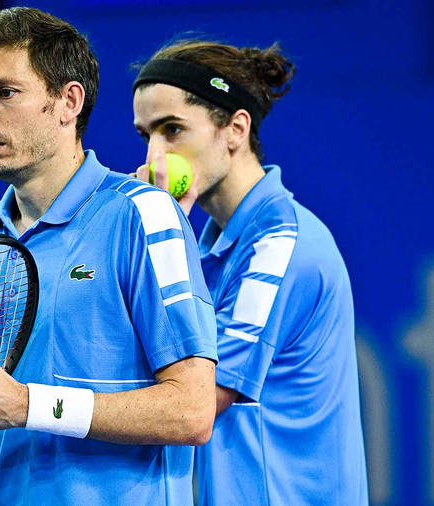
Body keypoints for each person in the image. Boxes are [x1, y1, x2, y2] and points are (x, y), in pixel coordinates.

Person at [0, 7, 218, 506]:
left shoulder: (143, 216)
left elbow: (192, 410)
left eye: (5, 93)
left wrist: (29, 404)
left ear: (68, 101)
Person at [132, 40, 368, 504]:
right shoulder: (208, 251)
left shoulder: (280, 245)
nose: (155, 155)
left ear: (235, 129)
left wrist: (34, 408)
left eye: (173, 129)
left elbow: (193, 402)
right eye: (146, 136)